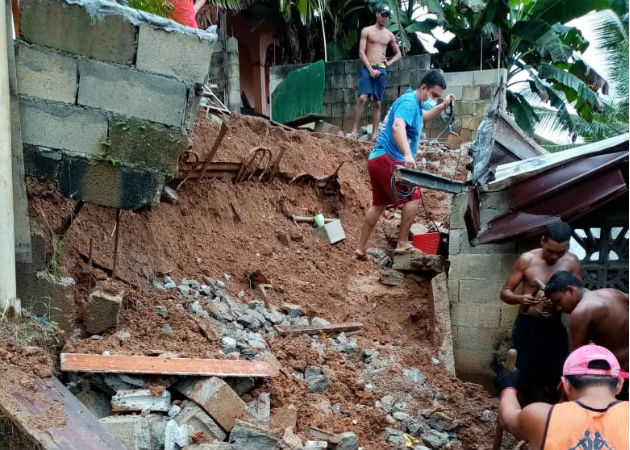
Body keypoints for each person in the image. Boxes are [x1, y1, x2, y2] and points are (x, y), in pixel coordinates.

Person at [354, 70, 454, 259]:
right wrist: (407, 154)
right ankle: (401, 244)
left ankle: (360, 249)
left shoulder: (414, 104)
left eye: (437, 97)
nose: (434, 99)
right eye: (433, 95)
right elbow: (398, 126)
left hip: (377, 158)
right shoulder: (409, 103)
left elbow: (423, 116)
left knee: (378, 204)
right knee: (413, 196)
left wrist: (442, 106)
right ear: (423, 88)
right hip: (389, 157)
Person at [499, 220, 582, 403]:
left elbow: (577, 297)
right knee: (522, 376)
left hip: (553, 327)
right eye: (550, 250)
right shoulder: (527, 260)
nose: (554, 256)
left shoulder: (572, 262)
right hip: (526, 326)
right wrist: (521, 299)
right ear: (542, 241)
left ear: (568, 246)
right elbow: (504, 293)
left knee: (553, 378)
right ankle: (518, 416)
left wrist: (558, 303)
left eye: (560, 252)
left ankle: (547, 418)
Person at [497, 344, 629, 450]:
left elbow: (507, 418)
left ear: (566, 385)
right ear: (619, 383)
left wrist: (508, 386)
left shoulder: (541, 417)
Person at [545, 270, 629, 400]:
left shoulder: (581, 312)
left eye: (558, 301)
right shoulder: (613, 293)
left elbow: (576, 363)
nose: (558, 308)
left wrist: (563, 398)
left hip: (621, 375)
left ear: (570, 290)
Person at [347, 4, 402, 141]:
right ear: (377, 14)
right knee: (362, 98)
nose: (384, 18)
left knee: (377, 103)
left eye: (387, 15)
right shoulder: (367, 31)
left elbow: (399, 54)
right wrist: (371, 70)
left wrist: (388, 63)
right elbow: (361, 52)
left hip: (381, 69)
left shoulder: (389, 35)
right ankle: (354, 131)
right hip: (368, 68)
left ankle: (375, 134)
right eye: (382, 14)